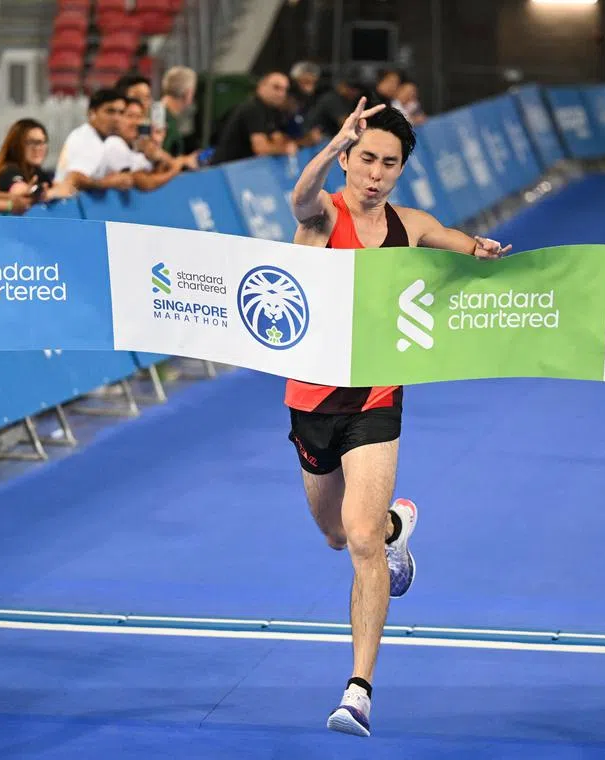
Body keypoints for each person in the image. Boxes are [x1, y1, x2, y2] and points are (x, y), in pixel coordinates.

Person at [286, 100, 510, 737]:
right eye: (366, 159)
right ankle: (396, 525)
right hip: (311, 399)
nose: (375, 173)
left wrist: (480, 250)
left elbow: (460, 244)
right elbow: (299, 196)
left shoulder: (408, 225)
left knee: (359, 541)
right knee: (337, 533)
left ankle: (358, 690)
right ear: (348, 159)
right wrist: (331, 145)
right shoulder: (322, 214)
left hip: (375, 395)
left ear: (401, 169)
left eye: (389, 163)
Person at [53, 88, 135, 192]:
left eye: (121, 112)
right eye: (110, 111)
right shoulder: (87, 139)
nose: (116, 118)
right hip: (67, 200)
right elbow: (75, 177)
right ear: (92, 113)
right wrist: (108, 182)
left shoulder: (97, 137)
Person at [210, 70, 297, 164]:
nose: (281, 94)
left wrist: (288, 144)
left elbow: (277, 137)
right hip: (227, 167)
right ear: (261, 86)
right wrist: (285, 149)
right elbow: (261, 148)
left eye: (284, 90)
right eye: (276, 88)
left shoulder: (271, 111)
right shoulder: (252, 108)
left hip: (243, 166)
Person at [0, 117, 75, 205]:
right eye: (32, 142)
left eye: (43, 142)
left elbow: (64, 188)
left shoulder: (37, 173)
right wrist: (45, 193)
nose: (39, 148)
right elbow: (18, 190)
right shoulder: (8, 171)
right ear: (17, 145)